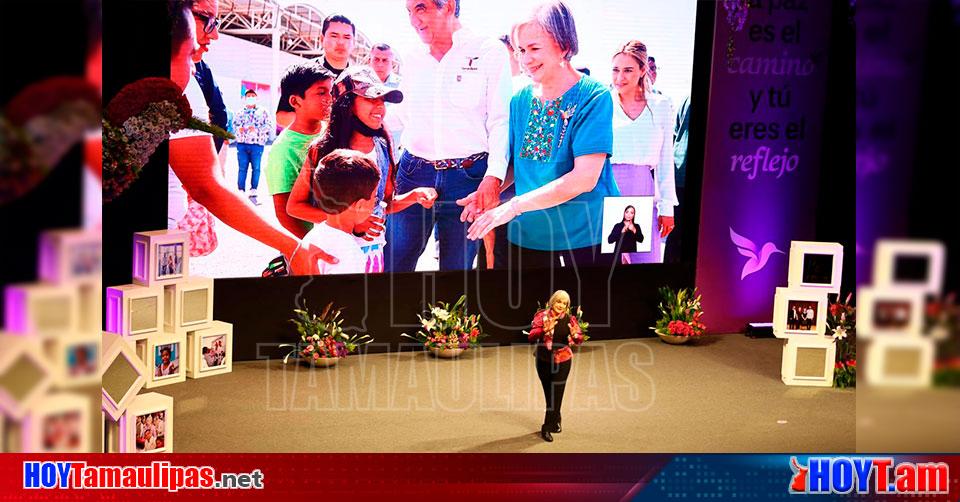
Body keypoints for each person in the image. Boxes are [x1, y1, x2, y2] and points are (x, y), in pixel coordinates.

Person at [167, 0, 334, 274]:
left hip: (164, 237)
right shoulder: (175, 89)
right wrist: (294, 247)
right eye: (207, 19)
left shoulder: (187, 85)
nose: (215, 34)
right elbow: (208, 186)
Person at [460, 1, 620, 270]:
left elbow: (584, 179)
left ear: (565, 46)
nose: (526, 59)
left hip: (585, 237)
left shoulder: (594, 96)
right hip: (530, 236)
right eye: (521, 50)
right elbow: (518, 165)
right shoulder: (519, 99)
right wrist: (489, 191)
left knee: (588, 311)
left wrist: (512, 207)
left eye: (535, 49)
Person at [382, 0, 512, 272]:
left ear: (449, 5)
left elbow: (500, 120)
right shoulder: (412, 57)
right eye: (409, 12)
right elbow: (401, 115)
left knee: (456, 275)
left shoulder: (489, 51)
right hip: (413, 175)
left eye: (421, 8)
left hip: (469, 181)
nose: (413, 20)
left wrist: (494, 176)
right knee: (394, 267)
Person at [288, 66, 438, 273]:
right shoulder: (321, 150)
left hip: (373, 254)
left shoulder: (383, 147)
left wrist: (413, 196)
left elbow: (382, 204)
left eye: (382, 100)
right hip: (333, 256)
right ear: (347, 104)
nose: (380, 108)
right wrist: (349, 222)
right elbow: (294, 207)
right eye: (371, 99)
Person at [609, 40, 677, 264]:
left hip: (643, 190)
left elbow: (666, 160)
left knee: (642, 265)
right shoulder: (602, 103)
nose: (620, 77)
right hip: (606, 188)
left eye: (628, 70)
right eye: (616, 70)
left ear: (642, 70)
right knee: (609, 267)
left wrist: (667, 207)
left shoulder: (661, 105)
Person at [265, 62, 334, 238]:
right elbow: (284, 213)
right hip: (314, 243)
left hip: (340, 237)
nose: (330, 98)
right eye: (321, 92)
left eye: (331, 91)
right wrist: (308, 249)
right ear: (295, 101)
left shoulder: (332, 131)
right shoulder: (283, 149)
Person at [299, 150, 382, 274]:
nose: (375, 202)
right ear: (360, 206)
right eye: (374, 198)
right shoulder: (348, 252)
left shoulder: (315, 235)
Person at [277, 14, 356, 129]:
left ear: (353, 42)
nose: (340, 42)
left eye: (347, 37)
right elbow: (282, 116)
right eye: (334, 36)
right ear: (322, 39)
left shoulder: (359, 78)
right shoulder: (303, 73)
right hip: (309, 144)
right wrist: (321, 126)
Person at [527, 290, 584, 442]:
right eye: (559, 302)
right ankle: (557, 417)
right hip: (543, 360)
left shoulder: (570, 320)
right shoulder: (542, 316)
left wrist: (575, 335)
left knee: (556, 394)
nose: (561, 305)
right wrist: (543, 330)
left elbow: (579, 339)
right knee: (549, 394)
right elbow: (531, 337)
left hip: (563, 360)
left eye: (564, 303)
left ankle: (547, 426)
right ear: (552, 302)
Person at [232, 89, 271, 204]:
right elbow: (234, 125)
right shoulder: (239, 112)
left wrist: (257, 129)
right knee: (242, 168)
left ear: (256, 98)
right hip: (242, 144)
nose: (250, 98)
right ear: (244, 98)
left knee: (256, 168)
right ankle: (241, 190)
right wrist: (240, 129)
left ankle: (253, 189)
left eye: (253, 96)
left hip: (257, 144)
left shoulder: (263, 111)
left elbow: (268, 125)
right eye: (248, 96)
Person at [663, 95, 690, 263]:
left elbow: (675, 133)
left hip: (677, 172)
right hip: (684, 174)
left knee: (675, 237)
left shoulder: (686, 98)